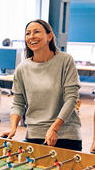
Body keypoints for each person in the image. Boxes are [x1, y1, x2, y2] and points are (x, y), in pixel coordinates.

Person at [4, 19, 82, 150]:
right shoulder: (22, 68)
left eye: (37, 32)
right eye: (28, 33)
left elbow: (71, 99)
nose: (32, 36)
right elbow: (18, 103)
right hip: (35, 134)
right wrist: (13, 128)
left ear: (49, 36)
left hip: (66, 134)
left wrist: (54, 128)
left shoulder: (65, 61)